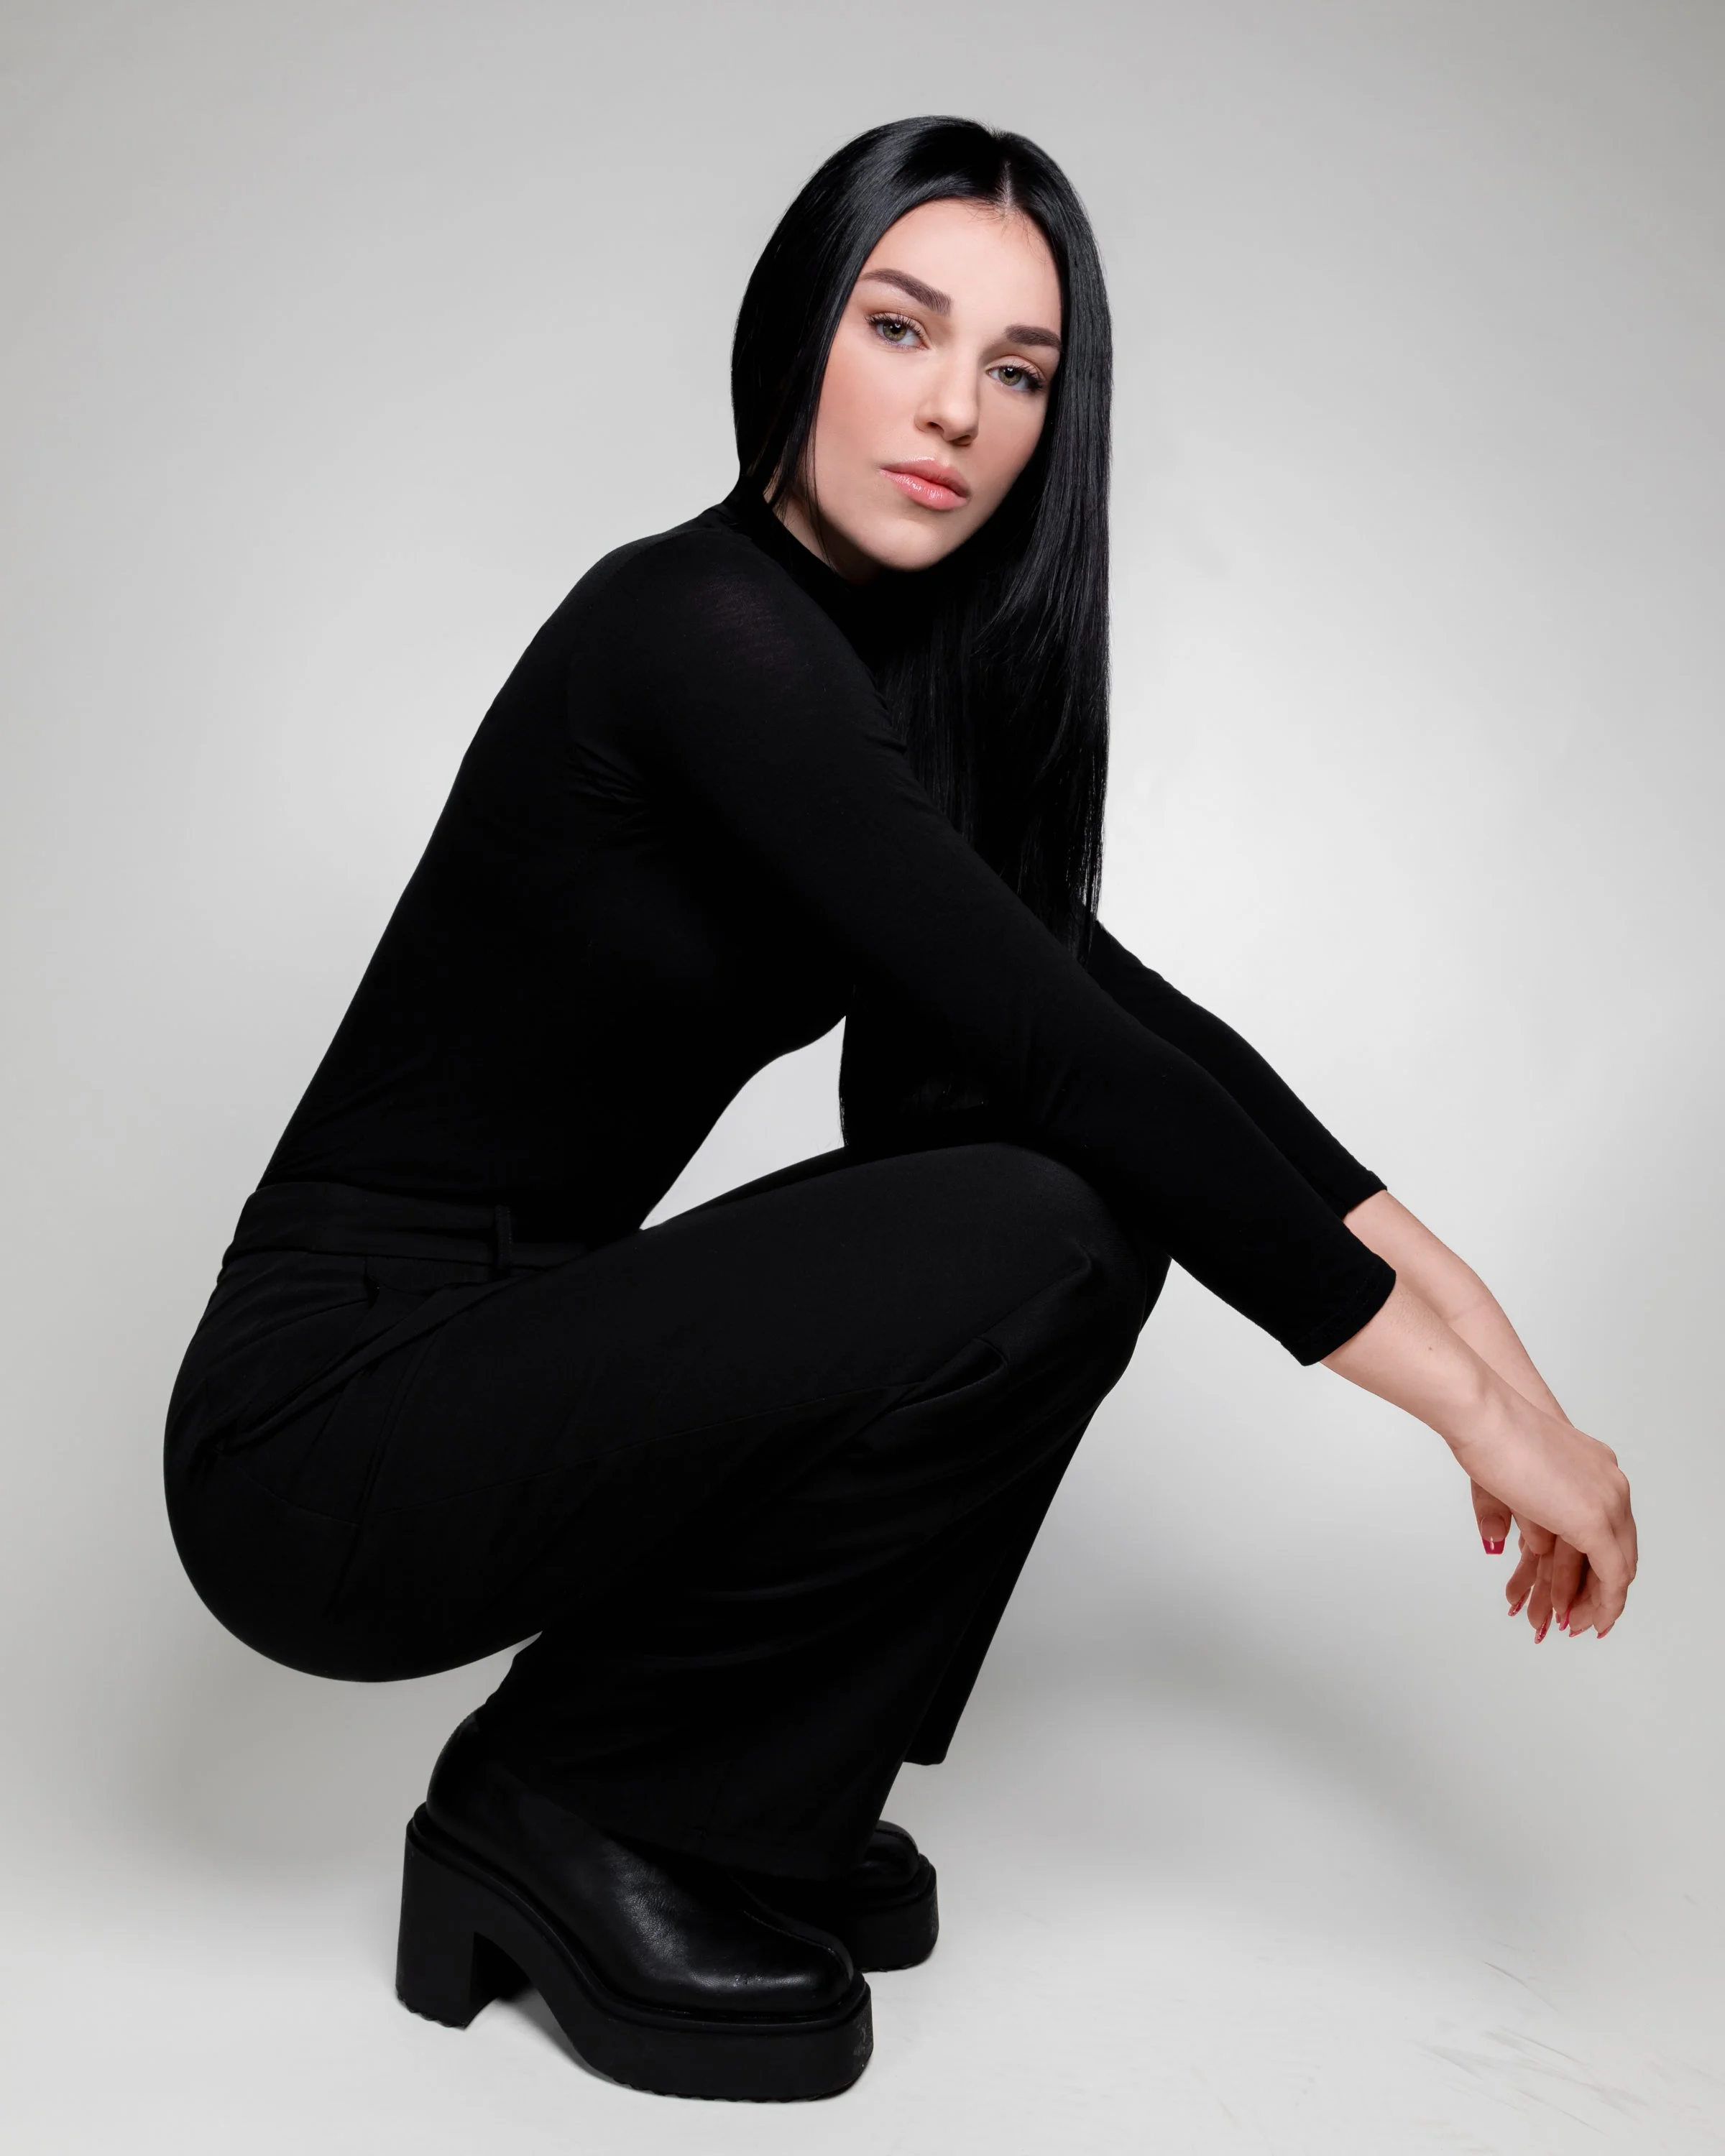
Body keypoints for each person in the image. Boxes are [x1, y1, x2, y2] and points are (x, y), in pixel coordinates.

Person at [162, 116, 1637, 2104]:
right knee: (1047, 1206)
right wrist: (1468, 1418)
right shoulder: (692, 629)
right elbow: (1076, 1063)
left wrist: (1505, 1356)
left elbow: (1140, 1032)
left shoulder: (879, 696)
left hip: (494, 1370)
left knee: (1081, 1202)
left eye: (1019, 371)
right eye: (903, 326)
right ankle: (572, 1807)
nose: (956, 408)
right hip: (318, 1441)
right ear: (802, 328)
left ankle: (729, 1794)